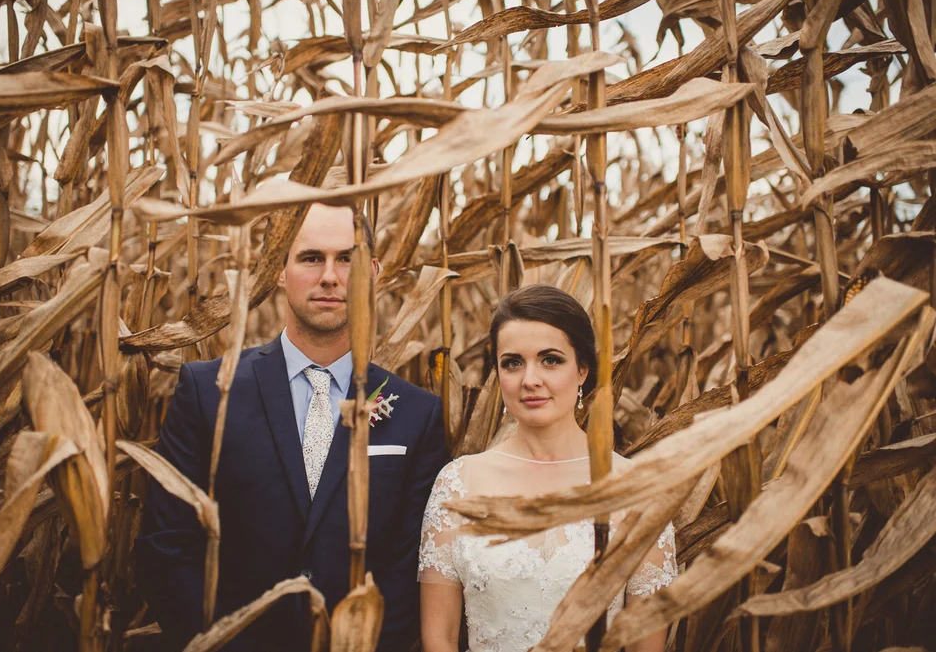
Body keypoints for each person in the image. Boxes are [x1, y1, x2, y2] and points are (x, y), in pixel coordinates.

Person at [136, 203, 449, 652]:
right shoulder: (209, 392)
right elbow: (167, 547)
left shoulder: (417, 414)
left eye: (347, 259)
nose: (330, 276)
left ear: (374, 272)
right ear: (279, 270)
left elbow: (411, 567)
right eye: (310, 258)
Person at [418, 284, 678, 652]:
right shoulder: (459, 483)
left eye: (551, 360)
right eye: (512, 363)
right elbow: (439, 638)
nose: (530, 380)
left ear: (583, 369)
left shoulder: (636, 490)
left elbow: (646, 643)